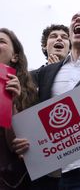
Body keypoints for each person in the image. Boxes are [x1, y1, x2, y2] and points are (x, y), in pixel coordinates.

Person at [12, 8, 80, 190]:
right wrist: (25, 141)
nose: (79, 18)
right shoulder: (45, 72)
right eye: (75, 18)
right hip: (48, 176)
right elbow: (26, 108)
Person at [1, 28, 38, 190]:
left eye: (1, 41)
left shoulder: (29, 92)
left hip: (11, 178)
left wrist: (12, 102)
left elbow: (16, 146)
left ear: (15, 56)